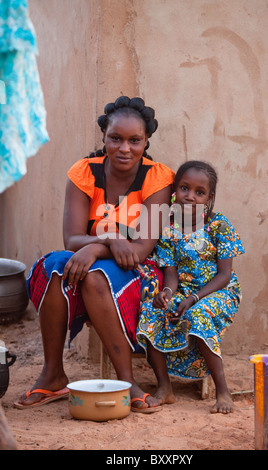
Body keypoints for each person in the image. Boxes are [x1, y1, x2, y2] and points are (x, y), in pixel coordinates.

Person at [15, 96, 174, 412]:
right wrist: (109, 242)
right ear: (104, 138)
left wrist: (105, 243)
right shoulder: (83, 172)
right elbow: (71, 239)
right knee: (55, 267)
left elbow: (141, 248)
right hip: (91, 262)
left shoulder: (158, 178)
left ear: (146, 142)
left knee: (95, 277)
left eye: (134, 140)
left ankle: (126, 379)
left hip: (141, 272)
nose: (124, 148)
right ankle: (52, 374)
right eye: (116, 138)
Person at [136, 161, 245, 413]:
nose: (190, 196)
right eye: (184, 188)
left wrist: (194, 298)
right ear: (175, 190)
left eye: (199, 192)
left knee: (197, 316)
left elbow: (224, 275)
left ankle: (222, 391)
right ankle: (165, 388)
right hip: (185, 292)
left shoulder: (219, 225)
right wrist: (166, 294)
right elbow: (171, 274)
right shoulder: (169, 228)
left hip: (219, 292)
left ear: (209, 197)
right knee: (151, 313)